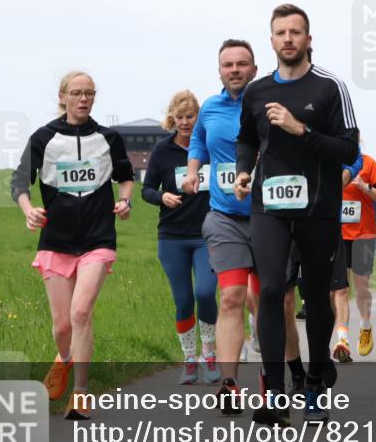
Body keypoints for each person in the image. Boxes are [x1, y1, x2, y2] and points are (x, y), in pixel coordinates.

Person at [235, 3, 359, 426]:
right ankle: (273, 392)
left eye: (295, 32)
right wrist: (243, 172)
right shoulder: (256, 92)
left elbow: (348, 149)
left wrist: (300, 130)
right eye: (280, 32)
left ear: (309, 40)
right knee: (270, 291)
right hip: (268, 207)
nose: (288, 39)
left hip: (318, 209)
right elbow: (247, 140)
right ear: (271, 41)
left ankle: (317, 376)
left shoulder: (329, 88)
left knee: (317, 297)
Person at [12, 71, 133, 420]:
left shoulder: (109, 138)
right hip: (55, 241)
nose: (84, 99)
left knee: (82, 313)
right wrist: (28, 210)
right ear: (62, 96)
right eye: (77, 93)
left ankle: (80, 393)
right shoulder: (43, 138)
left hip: (98, 239)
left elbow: (126, 177)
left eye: (90, 93)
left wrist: (126, 201)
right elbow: (20, 181)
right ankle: (64, 359)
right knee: (62, 325)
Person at [182, 39, 260, 416]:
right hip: (225, 217)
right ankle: (230, 383)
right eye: (227, 64)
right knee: (230, 298)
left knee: (268, 302)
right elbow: (198, 140)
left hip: (269, 218)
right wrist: (194, 170)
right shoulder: (210, 108)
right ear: (219, 71)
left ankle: (274, 374)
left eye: (241, 64)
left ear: (254, 69)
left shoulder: (266, 103)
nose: (234, 70)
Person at [142, 90, 220, 385]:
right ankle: (189, 360)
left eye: (191, 117)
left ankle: (209, 354)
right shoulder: (163, 151)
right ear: (171, 118)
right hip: (172, 236)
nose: (185, 122)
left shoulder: (209, 148)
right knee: (184, 300)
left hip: (207, 234)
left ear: (199, 117)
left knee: (204, 292)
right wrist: (162, 197)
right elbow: (146, 189)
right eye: (180, 117)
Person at [332, 152, 376, 362]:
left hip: (363, 234)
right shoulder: (329, 160)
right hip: (335, 234)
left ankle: (366, 326)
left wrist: (366, 187)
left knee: (361, 286)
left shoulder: (368, 163)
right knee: (340, 288)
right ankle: (342, 339)